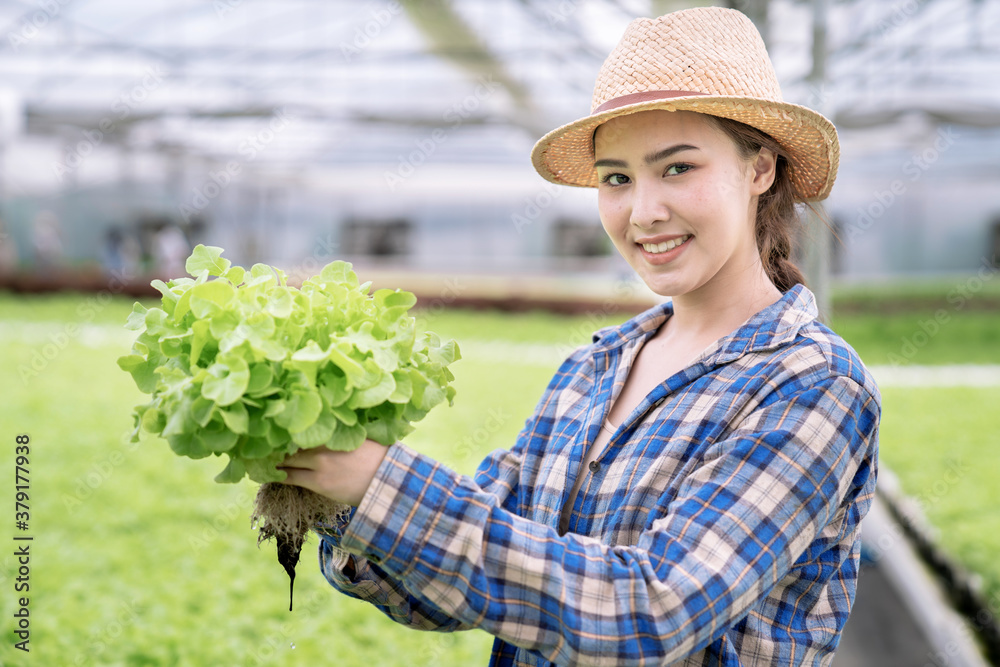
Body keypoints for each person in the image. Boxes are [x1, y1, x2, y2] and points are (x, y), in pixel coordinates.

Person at [278, 7, 880, 666]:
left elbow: (653, 613)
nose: (643, 211)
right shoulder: (593, 370)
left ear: (760, 168)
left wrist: (385, 486)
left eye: (677, 168)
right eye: (617, 178)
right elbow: (459, 580)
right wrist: (339, 489)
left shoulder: (811, 383)